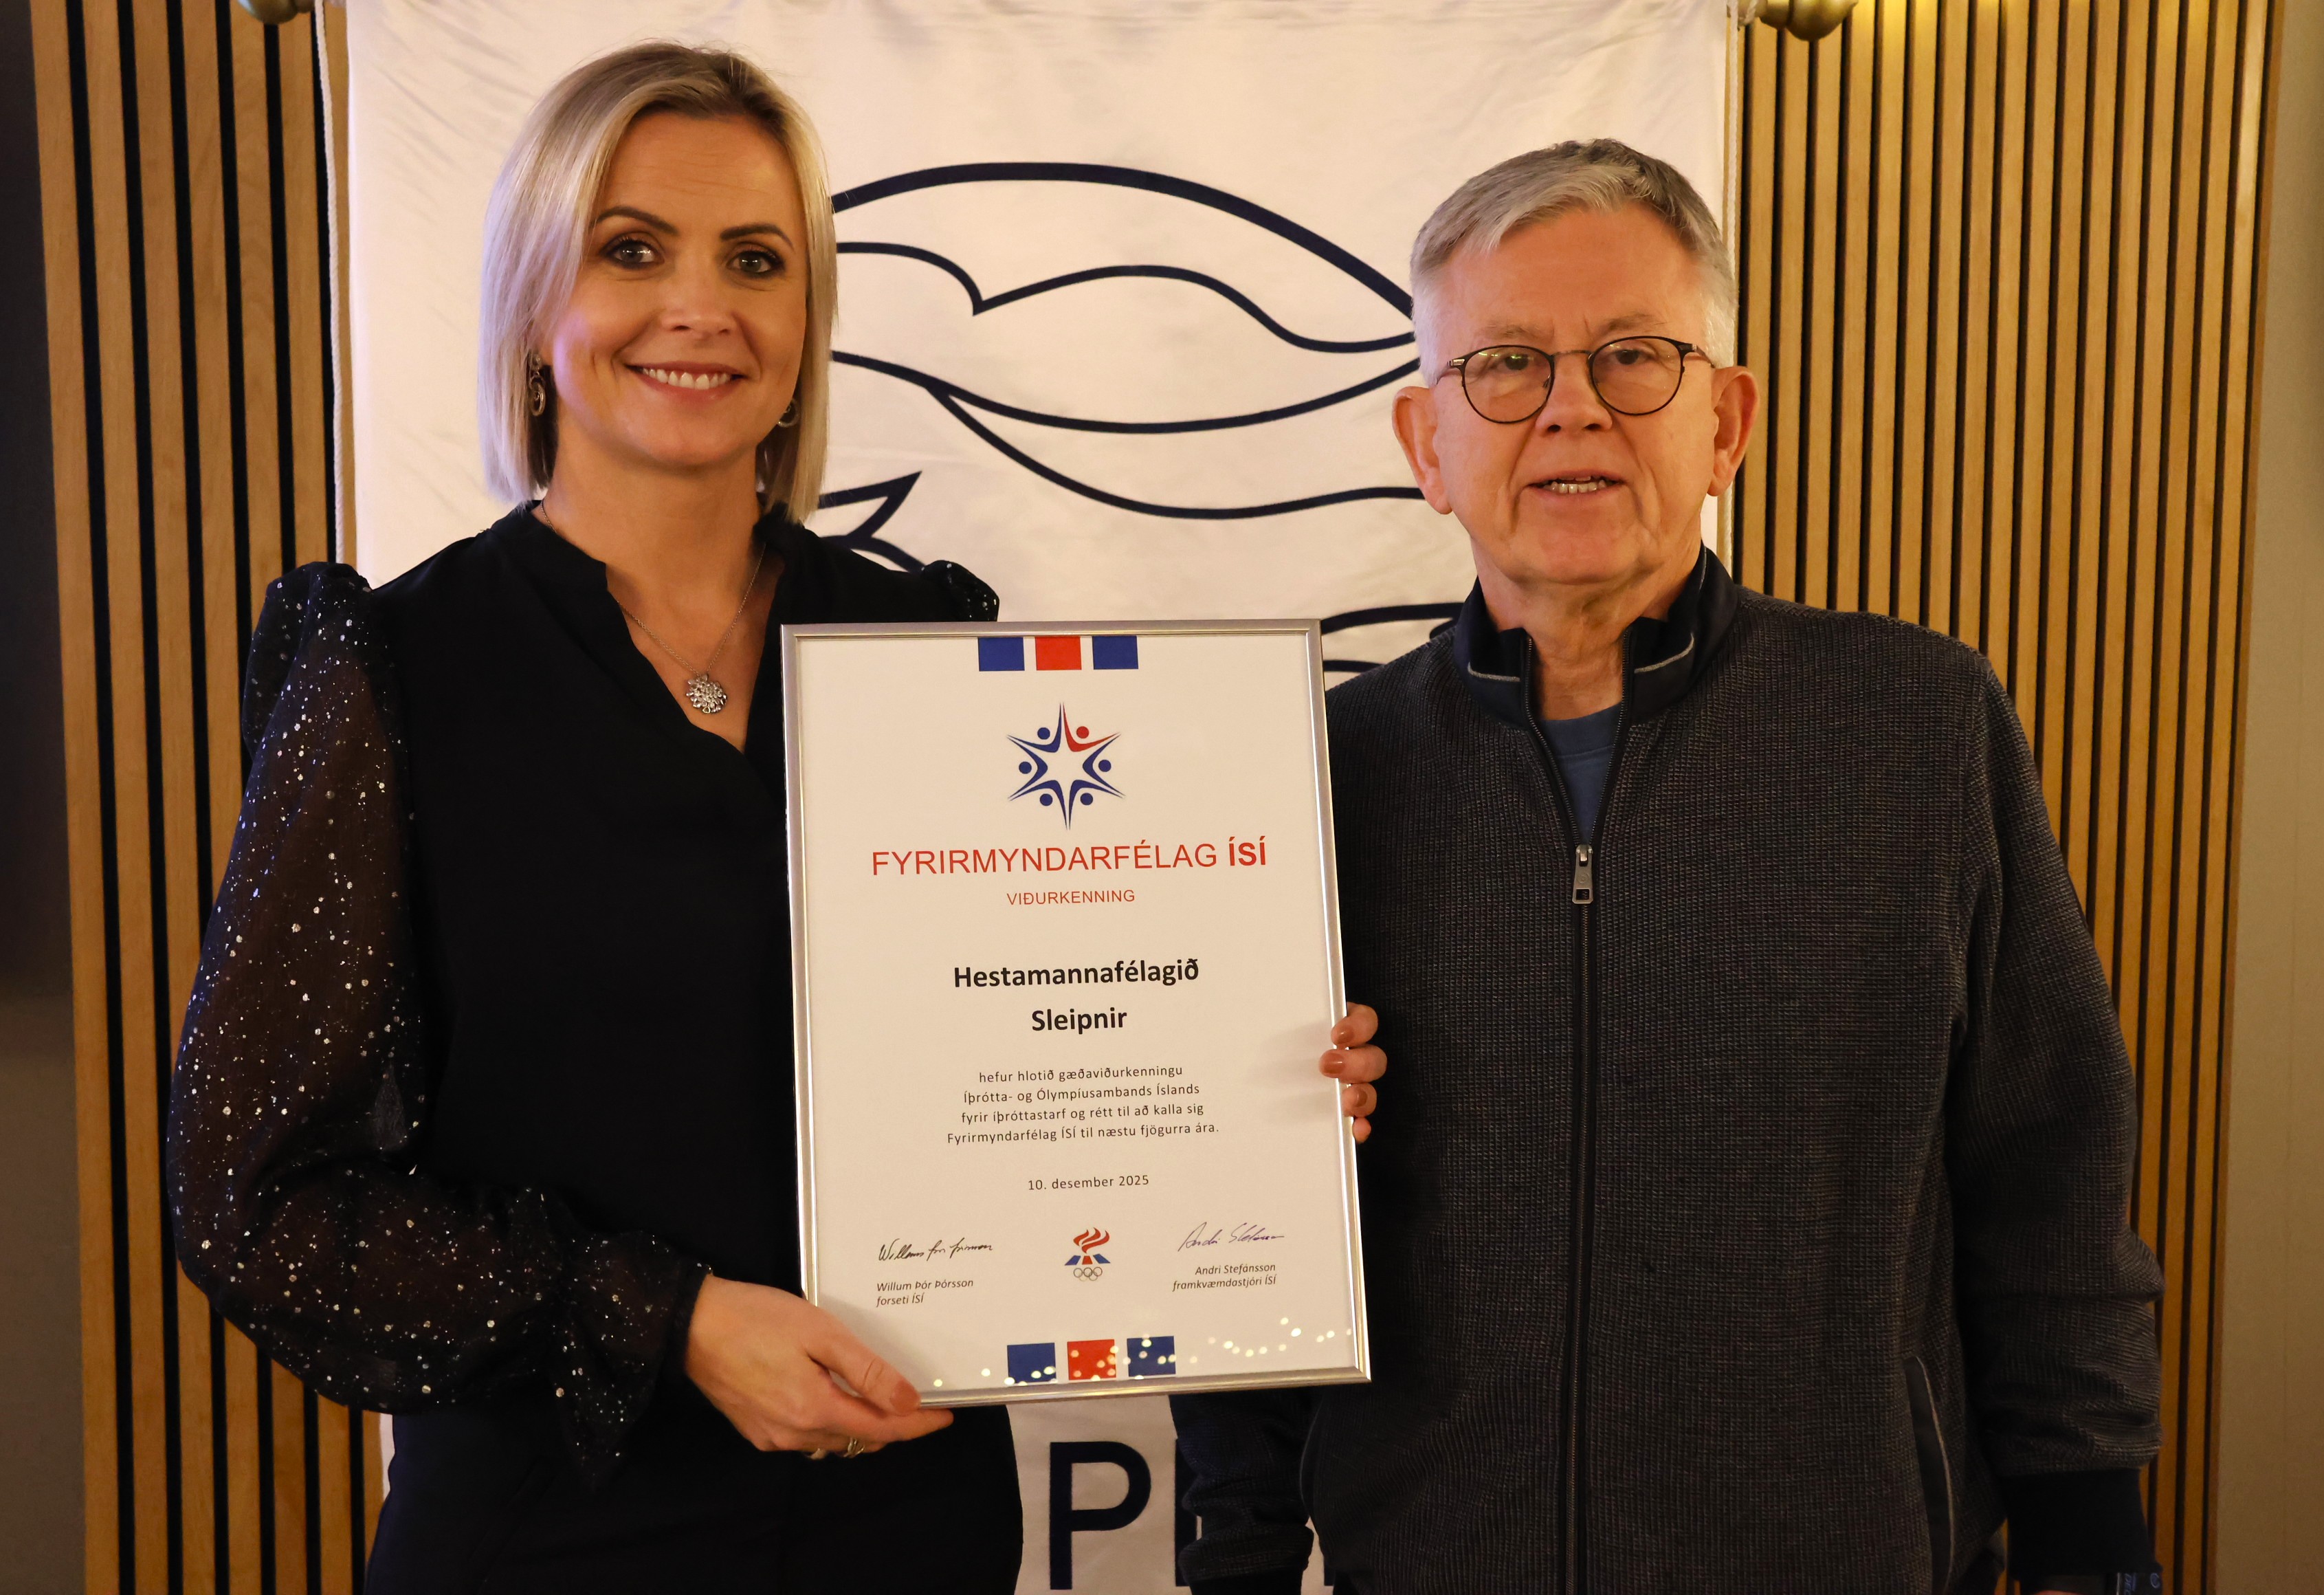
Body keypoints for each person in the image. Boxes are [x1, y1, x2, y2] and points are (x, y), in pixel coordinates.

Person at [166, 43, 1385, 1594]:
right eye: (631, 250)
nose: (700, 306)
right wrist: (666, 1318)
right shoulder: (393, 668)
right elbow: (258, 1201)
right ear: (534, 304)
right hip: (554, 1535)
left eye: (756, 260)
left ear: (808, 324)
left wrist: (1250, 1085)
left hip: (912, 1521)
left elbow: (1043, 1016)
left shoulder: (932, 652)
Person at [1171, 140, 2165, 1595]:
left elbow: (2051, 1157)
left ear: (1726, 423)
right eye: (1505, 364)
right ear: (1425, 444)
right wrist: (1236, 1541)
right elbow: (1225, 1195)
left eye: (1632, 356)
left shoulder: (1915, 728)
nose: (1570, 406)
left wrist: (2090, 1535)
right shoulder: (1313, 779)